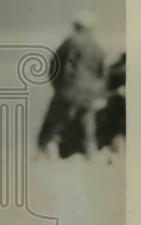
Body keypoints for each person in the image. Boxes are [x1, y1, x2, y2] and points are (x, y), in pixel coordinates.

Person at [37, 11, 106, 160]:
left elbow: (55, 66)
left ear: (75, 25)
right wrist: (96, 89)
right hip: (89, 92)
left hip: (68, 90)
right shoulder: (95, 45)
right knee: (87, 124)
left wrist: (59, 86)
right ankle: (91, 154)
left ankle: (43, 152)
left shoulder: (70, 42)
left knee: (54, 123)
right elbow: (102, 72)